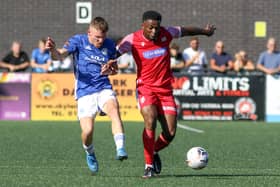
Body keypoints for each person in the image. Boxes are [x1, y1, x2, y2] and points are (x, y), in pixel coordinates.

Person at [104, 10, 215, 178]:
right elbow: (114, 53)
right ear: (143, 26)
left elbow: (186, 30)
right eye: (150, 28)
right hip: (145, 88)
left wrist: (205, 32)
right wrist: (109, 61)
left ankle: (153, 150)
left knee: (170, 133)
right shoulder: (132, 39)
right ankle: (148, 166)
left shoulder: (167, 33)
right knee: (150, 120)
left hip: (165, 90)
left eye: (157, 28)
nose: (154, 32)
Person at [46, 17, 128, 174]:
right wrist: (52, 50)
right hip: (84, 91)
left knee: (114, 110)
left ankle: (120, 148)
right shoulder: (78, 41)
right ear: (89, 32)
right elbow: (60, 55)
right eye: (97, 38)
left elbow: (114, 69)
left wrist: (110, 70)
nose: (100, 41)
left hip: (103, 87)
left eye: (102, 38)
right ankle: (90, 153)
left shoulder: (110, 45)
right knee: (88, 131)